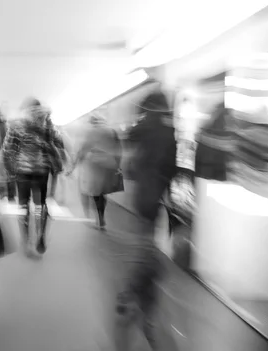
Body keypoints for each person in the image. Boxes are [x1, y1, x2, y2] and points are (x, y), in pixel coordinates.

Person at [115, 87, 177, 350]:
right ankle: (134, 292)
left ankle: (132, 291)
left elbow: (128, 163)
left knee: (145, 245)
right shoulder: (169, 131)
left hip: (141, 194)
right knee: (148, 246)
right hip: (157, 196)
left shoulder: (140, 128)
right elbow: (172, 169)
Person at [2, 97, 63, 257]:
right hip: (41, 171)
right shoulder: (48, 124)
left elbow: (8, 149)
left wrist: (10, 170)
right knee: (40, 205)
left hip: (22, 172)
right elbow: (58, 142)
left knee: (23, 205)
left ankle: (26, 239)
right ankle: (41, 236)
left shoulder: (16, 125)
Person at [71, 114, 121, 230]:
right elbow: (118, 148)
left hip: (93, 165)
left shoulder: (91, 132)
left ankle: (95, 216)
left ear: (92, 122)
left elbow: (82, 150)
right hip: (108, 165)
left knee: (94, 192)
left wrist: (74, 165)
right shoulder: (112, 131)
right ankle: (101, 217)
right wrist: (117, 164)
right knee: (102, 192)